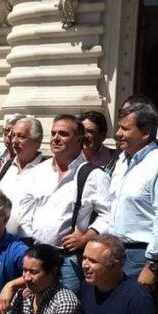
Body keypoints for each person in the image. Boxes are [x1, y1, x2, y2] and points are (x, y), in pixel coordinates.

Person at [19, 114, 111, 293]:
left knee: (67, 313)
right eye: (53, 133)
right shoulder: (37, 172)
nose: (55, 138)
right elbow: (25, 213)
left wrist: (86, 237)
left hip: (68, 260)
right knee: (36, 313)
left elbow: (108, 215)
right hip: (37, 257)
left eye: (63, 134)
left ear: (79, 140)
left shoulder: (94, 176)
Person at [109, 97, 158, 314]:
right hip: (114, 251)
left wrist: (152, 265)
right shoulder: (122, 160)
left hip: (140, 255)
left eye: (125, 129)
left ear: (146, 133)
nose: (118, 134)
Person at [0, 116, 45, 233]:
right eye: (13, 135)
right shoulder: (7, 166)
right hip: (2, 241)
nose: (14, 141)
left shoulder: (47, 170)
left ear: (36, 142)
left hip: (29, 243)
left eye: (21, 136)